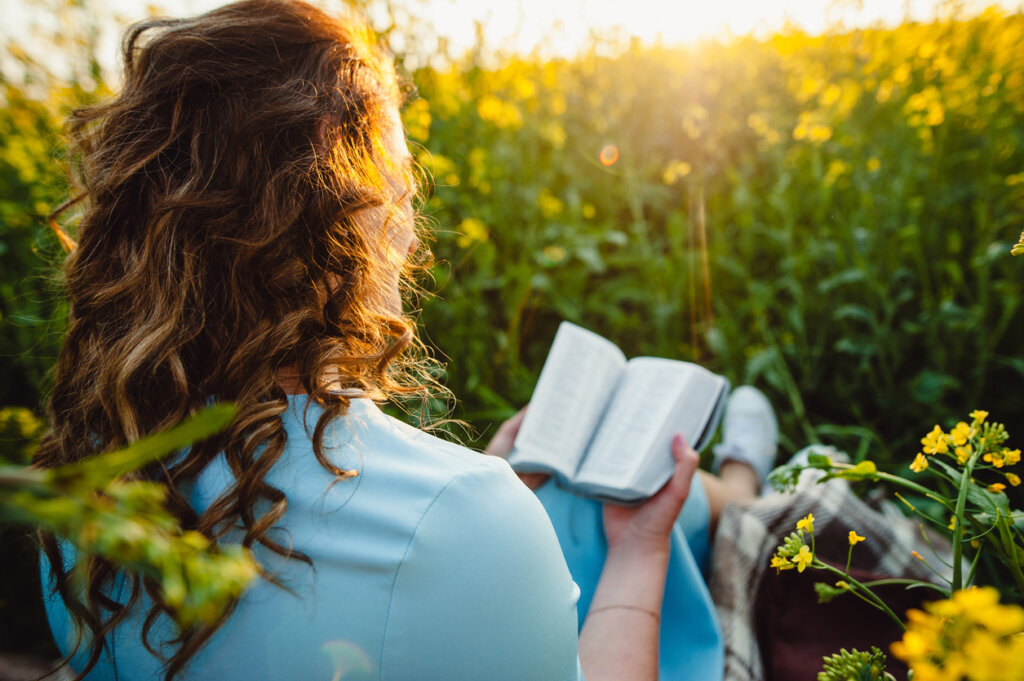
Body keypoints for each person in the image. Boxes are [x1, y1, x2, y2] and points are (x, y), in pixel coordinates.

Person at [35, 2, 775, 680]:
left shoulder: (87, 487)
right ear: (337, 208)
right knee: (608, 510)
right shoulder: (467, 521)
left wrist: (483, 492)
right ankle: (739, 483)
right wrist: (638, 552)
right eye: (400, 192)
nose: (411, 231)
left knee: (561, 500)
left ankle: (734, 484)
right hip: (492, 547)